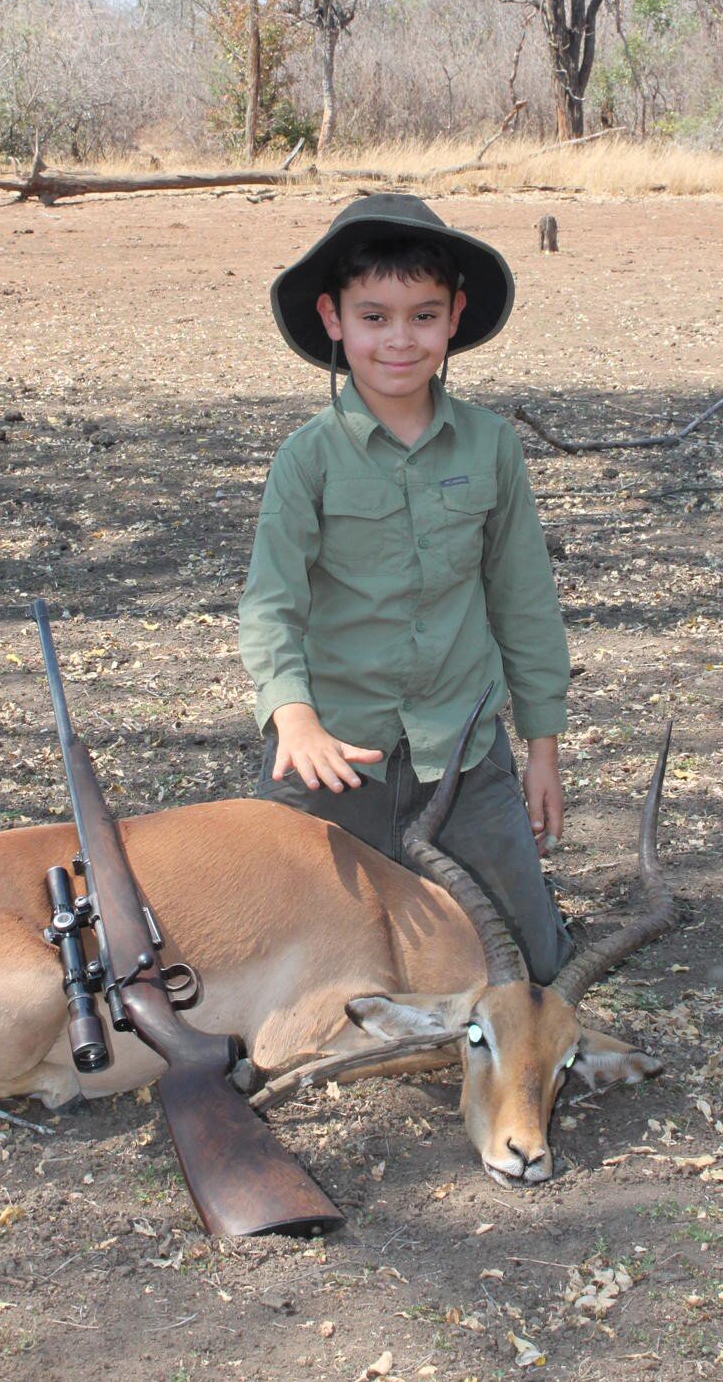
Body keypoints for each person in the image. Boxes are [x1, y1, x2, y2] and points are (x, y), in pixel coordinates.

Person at [237, 194, 573, 984]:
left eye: (422, 315)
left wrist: (542, 749)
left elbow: (522, 598)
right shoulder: (308, 458)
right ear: (333, 319)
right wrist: (295, 721)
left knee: (533, 966)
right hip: (333, 754)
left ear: (455, 316)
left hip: (460, 752)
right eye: (374, 316)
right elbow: (270, 604)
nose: (399, 340)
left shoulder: (490, 446)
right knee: (256, 960)